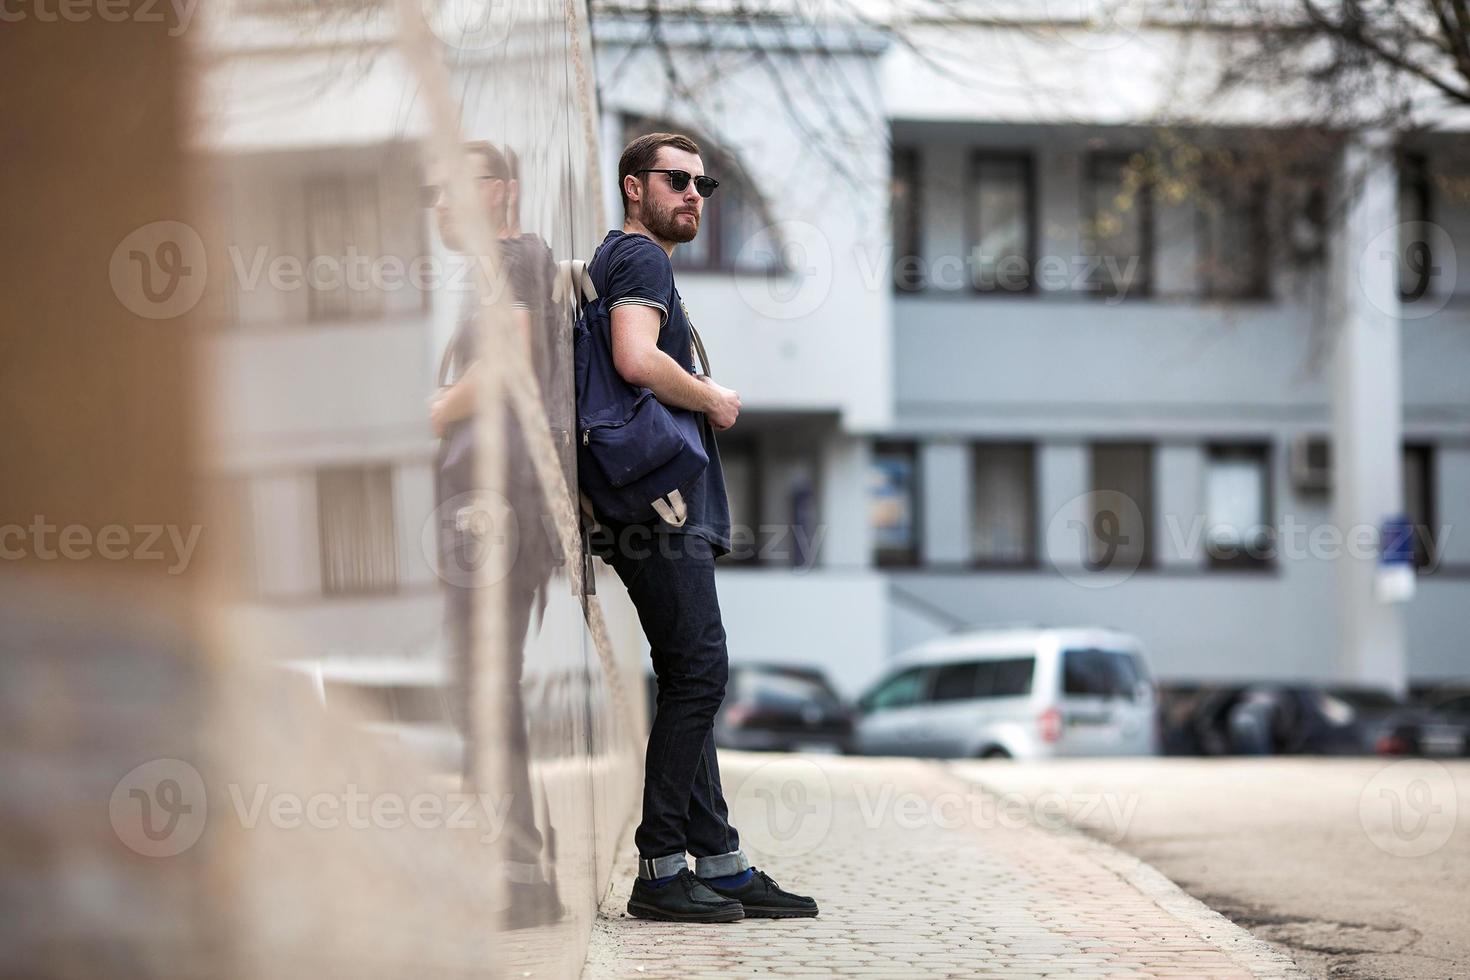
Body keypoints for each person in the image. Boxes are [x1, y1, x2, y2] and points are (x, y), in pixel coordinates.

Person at [587, 132, 818, 922]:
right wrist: (713, 396)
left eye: (703, 185)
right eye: (676, 180)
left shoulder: (625, 260)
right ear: (632, 186)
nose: (693, 194)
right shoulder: (641, 258)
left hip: (643, 506)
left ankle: (718, 860)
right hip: (657, 506)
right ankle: (659, 869)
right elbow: (633, 357)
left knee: (692, 672)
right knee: (700, 675)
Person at [426, 140, 564, 930]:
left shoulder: (507, 258)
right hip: (499, 514)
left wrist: (434, 410)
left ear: (501, 191)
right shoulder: (513, 260)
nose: (440, 202)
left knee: (479, 695)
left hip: (494, 515)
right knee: (487, 695)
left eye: (455, 186)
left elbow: (506, 363)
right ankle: (522, 877)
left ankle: (517, 879)